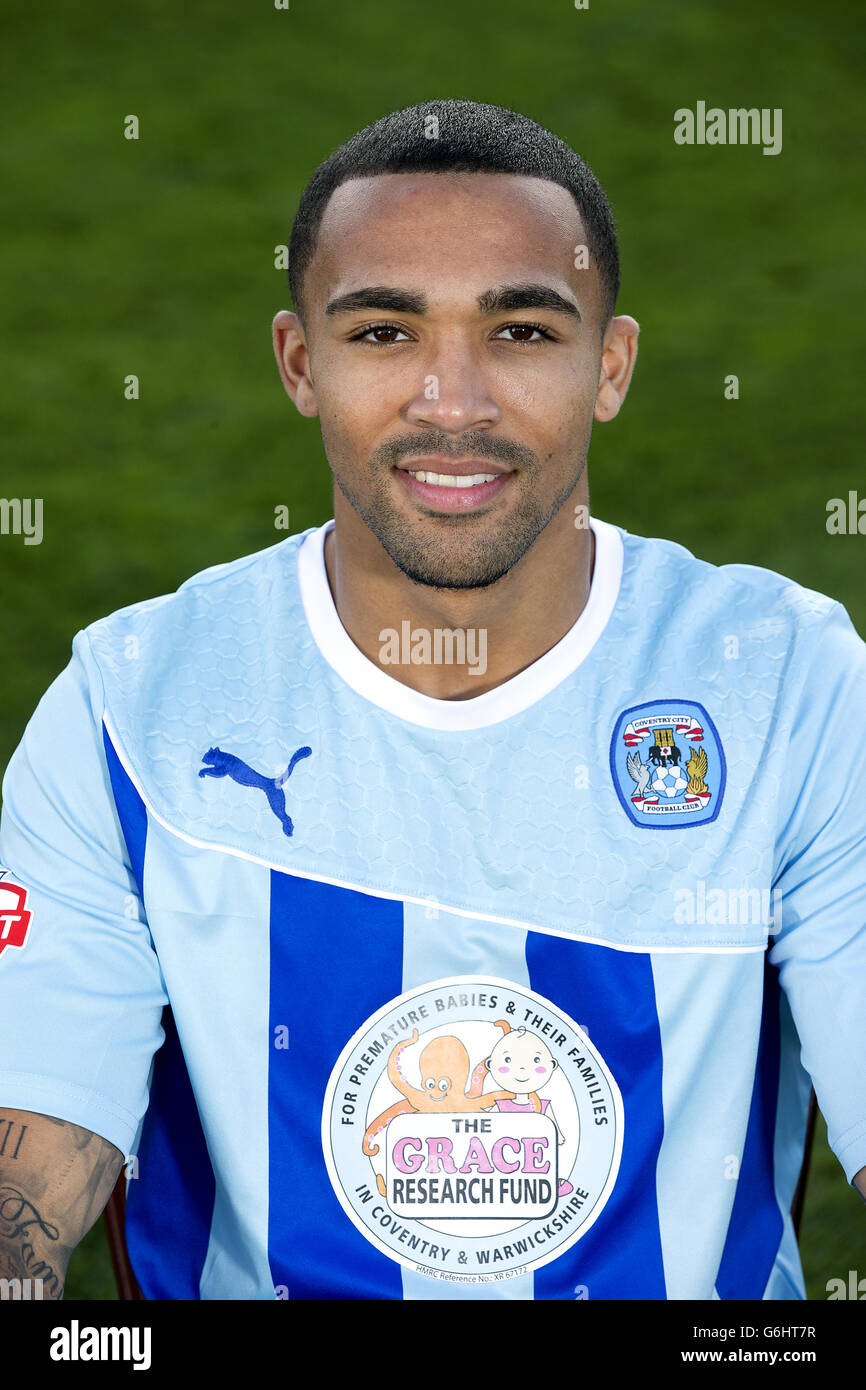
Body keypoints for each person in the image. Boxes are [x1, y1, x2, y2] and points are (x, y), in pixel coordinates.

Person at [0, 99, 863, 1302]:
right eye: (383, 334)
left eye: (518, 331)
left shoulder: (790, 686)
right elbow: (29, 1178)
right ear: (300, 365)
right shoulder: (128, 714)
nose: (451, 403)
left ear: (606, 367)